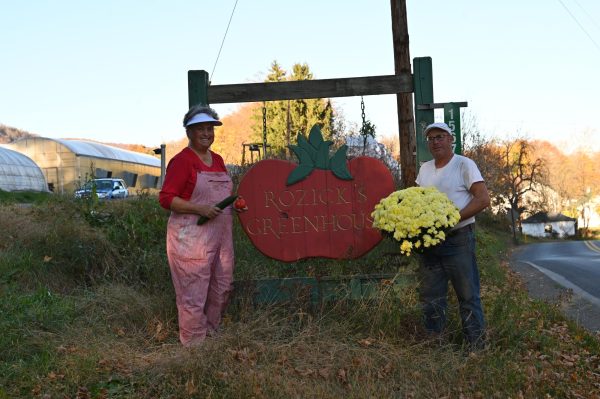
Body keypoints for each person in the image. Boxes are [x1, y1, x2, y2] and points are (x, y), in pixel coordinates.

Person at [159, 104, 242, 346]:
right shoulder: (182, 161)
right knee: (193, 295)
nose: (207, 133)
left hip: (221, 238)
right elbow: (166, 198)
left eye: (210, 128)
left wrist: (236, 204)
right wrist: (200, 208)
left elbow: (221, 194)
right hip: (191, 238)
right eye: (200, 129)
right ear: (189, 132)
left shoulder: (217, 159)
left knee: (222, 286)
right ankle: (194, 349)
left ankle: (211, 336)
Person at [415, 122, 491, 350]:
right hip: (430, 242)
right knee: (431, 297)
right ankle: (435, 346)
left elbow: (482, 199)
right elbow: (417, 201)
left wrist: (452, 219)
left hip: (458, 239)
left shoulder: (464, 165)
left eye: (440, 137)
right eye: (431, 138)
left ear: (450, 140)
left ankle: (476, 347)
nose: (435, 141)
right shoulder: (425, 169)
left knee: (468, 296)